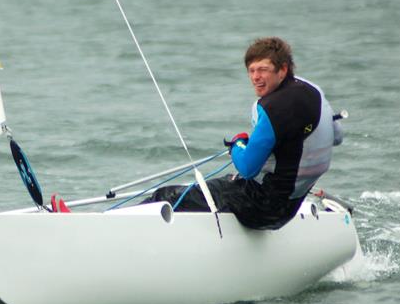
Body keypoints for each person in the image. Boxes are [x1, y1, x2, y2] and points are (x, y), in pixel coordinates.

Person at [144, 37, 343, 229]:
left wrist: (237, 144)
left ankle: (125, 236)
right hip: (291, 204)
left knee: (165, 197)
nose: (256, 77)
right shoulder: (314, 91)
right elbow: (336, 136)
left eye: (263, 70)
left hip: (260, 208)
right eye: (251, 70)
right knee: (224, 182)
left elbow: (248, 167)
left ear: (282, 70)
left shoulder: (270, 108)